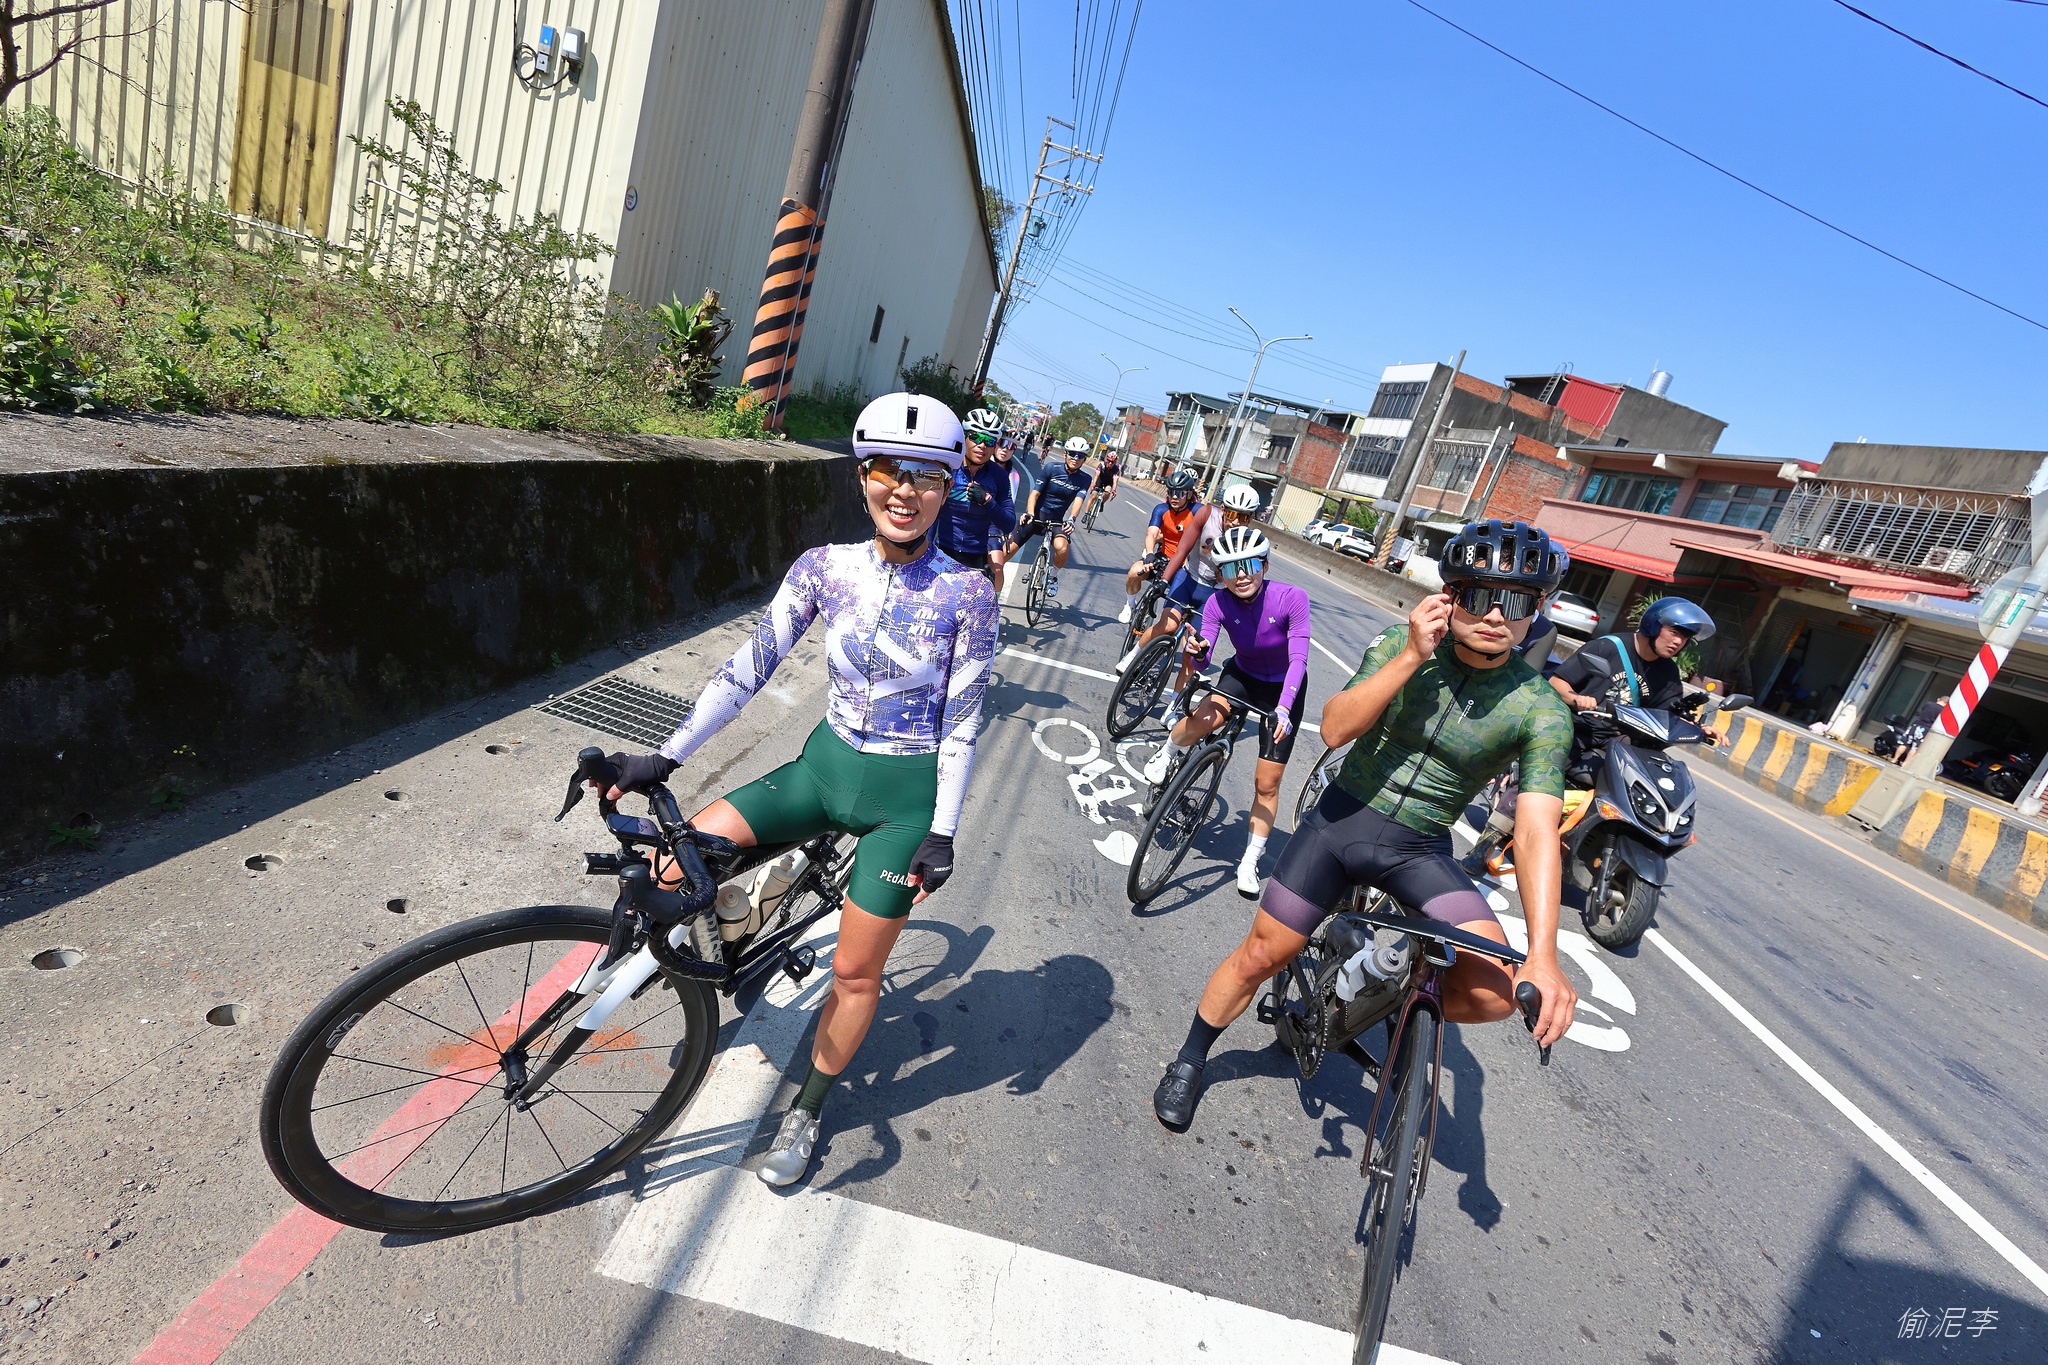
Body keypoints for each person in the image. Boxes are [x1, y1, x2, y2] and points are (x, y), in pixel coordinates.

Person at [593, 392, 999, 1186]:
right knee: (674, 866)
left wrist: (943, 830)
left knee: (854, 974)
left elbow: (961, 723)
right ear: (863, 474)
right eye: (887, 470)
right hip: (822, 768)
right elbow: (749, 667)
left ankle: (808, 1108)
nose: (904, 490)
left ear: (948, 487)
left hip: (902, 803)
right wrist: (664, 756)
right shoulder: (825, 568)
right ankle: (728, 931)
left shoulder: (969, 594)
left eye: (926, 476)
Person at [1152, 518, 1580, 1133]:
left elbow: (1537, 831)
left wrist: (1543, 955)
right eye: (1481, 595)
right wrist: (1411, 656)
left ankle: (1387, 991)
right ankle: (1190, 1059)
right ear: (1451, 595)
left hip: (1420, 846)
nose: (1496, 615)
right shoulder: (1397, 645)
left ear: (1536, 612)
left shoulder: (1541, 707)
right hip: (1343, 820)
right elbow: (1333, 729)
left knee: (1494, 992)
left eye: (1517, 602)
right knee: (1264, 953)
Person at [1140, 525, 1311, 896]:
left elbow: (1299, 658)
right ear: (1221, 574)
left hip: (1284, 689)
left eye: (1250, 565)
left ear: (1265, 565)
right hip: (1242, 675)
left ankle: (1249, 860)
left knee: (1267, 783)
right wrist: (1198, 651)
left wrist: (1284, 708)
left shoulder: (1291, 598)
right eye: (1231, 568)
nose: (1242, 575)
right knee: (1204, 717)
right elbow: (1203, 659)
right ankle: (1167, 752)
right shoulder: (1218, 603)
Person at [1124, 482, 1266, 722]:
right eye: (1232, 515)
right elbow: (1182, 550)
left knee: (1192, 654)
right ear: (1223, 509)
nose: (1235, 522)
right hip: (1188, 577)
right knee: (1169, 625)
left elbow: (1245, 582)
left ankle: (1172, 708)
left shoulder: (1249, 541)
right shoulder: (1207, 514)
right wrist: (1164, 582)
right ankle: (1133, 655)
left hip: (1214, 594)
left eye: (1243, 517)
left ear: (1251, 518)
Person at [1550, 596, 1720, 786]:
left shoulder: (1668, 672)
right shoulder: (1607, 646)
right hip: (1577, 728)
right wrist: (1577, 698)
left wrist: (1698, 728)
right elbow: (1556, 682)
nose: (1678, 641)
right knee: (1546, 777)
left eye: (1685, 638)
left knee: (1638, 786)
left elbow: (1667, 715)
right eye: (1673, 632)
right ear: (1653, 626)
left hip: (1617, 739)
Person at [1007, 436, 1094, 599]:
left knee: (1062, 548)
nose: (1076, 458)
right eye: (1072, 453)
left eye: (1080, 455)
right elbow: (1035, 493)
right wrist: (1030, 513)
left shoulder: (1085, 479)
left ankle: (1052, 576)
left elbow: (1078, 500)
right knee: (1006, 551)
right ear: (1065, 454)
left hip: (1057, 521)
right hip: (1036, 515)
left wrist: (1072, 519)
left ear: (1084, 459)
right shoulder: (1052, 468)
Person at [936, 408, 1015, 585]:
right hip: (941, 549)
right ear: (964, 437)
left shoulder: (999, 476)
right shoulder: (948, 468)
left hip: (976, 556)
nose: (982, 445)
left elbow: (1009, 523)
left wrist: (987, 500)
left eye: (989, 441)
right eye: (976, 437)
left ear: (995, 445)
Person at [1119, 468, 1201, 625]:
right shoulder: (1161, 509)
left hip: (1185, 565)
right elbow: (1151, 533)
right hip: (1163, 558)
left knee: (1181, 607)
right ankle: (1130, 605)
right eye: (1171, 492)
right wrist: (1150, 554)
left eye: (1180, 493)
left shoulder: (1197, 511)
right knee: (1134, 572)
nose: (1175, 497)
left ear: (1189, 494)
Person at [1089, 446, 1123, 516]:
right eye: (1109, 461)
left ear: (1115, 462)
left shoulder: (1116, 469)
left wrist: (1114, 490)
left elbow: (1115, 481)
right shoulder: (1102, 464)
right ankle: (1087, 513)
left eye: (1112, 462)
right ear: (1107, 460)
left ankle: (1102, 503)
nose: (1110, 463)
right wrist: (1093, 484)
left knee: (1107, 493)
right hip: (1100, 479)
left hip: (1108, 482)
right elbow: (1097, 475)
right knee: (1093, 495)